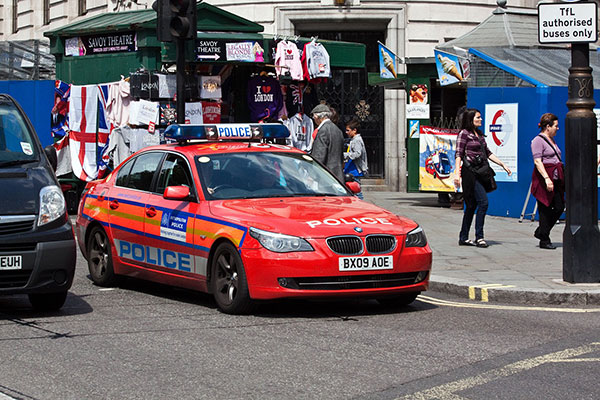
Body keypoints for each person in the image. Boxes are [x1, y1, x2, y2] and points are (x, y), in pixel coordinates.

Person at [453, 108, 511, 248]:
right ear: (470, 119)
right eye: (478, 117)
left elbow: (488, 153)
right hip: (470, 173)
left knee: (472, 206)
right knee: (483, 203)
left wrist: (502, 164)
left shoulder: (479, 135)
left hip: (481, 172)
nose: (481, 119)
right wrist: (457, 173)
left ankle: (464, 237)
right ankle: (480, 237)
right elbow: (459, 153)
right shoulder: (464, 134)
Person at [530, 113, 564, 250]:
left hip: (556, 179)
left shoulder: (551, 140)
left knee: (559, 207)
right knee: (544, 208)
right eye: (556, 126)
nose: (558, 128)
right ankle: (544, 239)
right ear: (548, 127)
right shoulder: (538, 141)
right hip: (544, 179)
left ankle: (541, 232)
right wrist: (546, 178)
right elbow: (538, 161)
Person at [310, 103, 345, 182]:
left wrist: (312, 175)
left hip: (326, 177)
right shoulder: (337, 130)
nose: (314, 119)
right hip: (338, 175)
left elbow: (319, 156)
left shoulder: (323, 131)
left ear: (317, 117)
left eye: (313, 117)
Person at [343, 118, 368, 199]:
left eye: (348, 130)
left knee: (356, 190)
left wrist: (345, 155)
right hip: (351, 168)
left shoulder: (357, 140)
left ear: (354, 130)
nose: (346, 132)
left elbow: (357, 153)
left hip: (355, 169)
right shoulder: (353, 140)